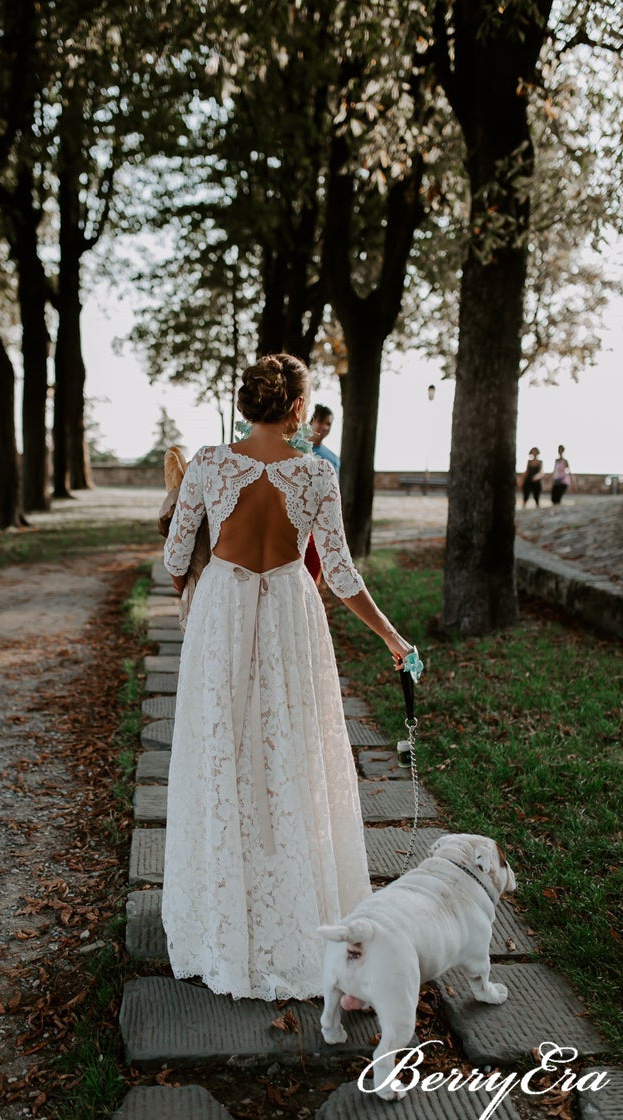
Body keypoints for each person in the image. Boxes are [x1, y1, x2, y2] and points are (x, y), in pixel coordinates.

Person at [162, 353, 413, 1001]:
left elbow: (172, 556)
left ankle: (225, 913)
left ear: (246, 403)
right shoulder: (315, 475)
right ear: (299, 408)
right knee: (289, 755)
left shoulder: (211, 464)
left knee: (224, 750)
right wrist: (392, 636)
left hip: (222, 611)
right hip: (291, 617)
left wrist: (182, 512)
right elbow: (343, 574)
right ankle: (293, 906)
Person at [304, 404, 339, 581]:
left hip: (317, 527)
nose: (324, 428)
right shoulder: (296, 450)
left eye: (329, 424)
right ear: (311, 421)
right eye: (321, 422)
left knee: (311, 581)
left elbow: (333, 496)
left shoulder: (332, 459)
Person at [309, 404, 339, 472]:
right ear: (311, 422)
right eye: (320, 421)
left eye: (328, 424)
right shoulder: (295, 449)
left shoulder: (334, 459)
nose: (325, 427)